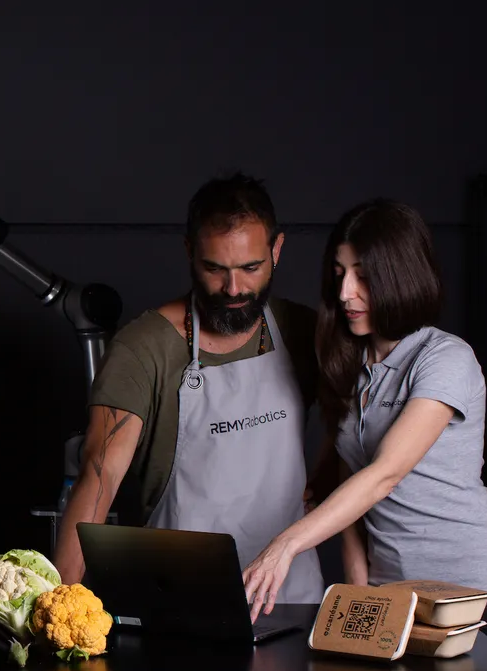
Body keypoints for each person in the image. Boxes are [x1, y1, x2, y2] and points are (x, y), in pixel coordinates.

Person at [241, 198, 487, 635]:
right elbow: (352, 492)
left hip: (474, 593)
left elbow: (384, 475)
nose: (345, 293)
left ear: (401, 278)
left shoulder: (445, 357)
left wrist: (285, 544)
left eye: (365, 277)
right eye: (340, 273)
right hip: (393, 596)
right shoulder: (349, 367)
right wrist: (361, 594)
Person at [52, 171, 326, 605]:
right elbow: (98, 477)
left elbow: (362, 427)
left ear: (277, 250)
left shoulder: (305, 332)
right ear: (189, 252)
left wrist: (325, 477)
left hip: (290, 597)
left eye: (250, 268)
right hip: (176, 599)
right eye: (214, 268)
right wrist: (60, 609)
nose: (234, 289)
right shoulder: (144, 347)